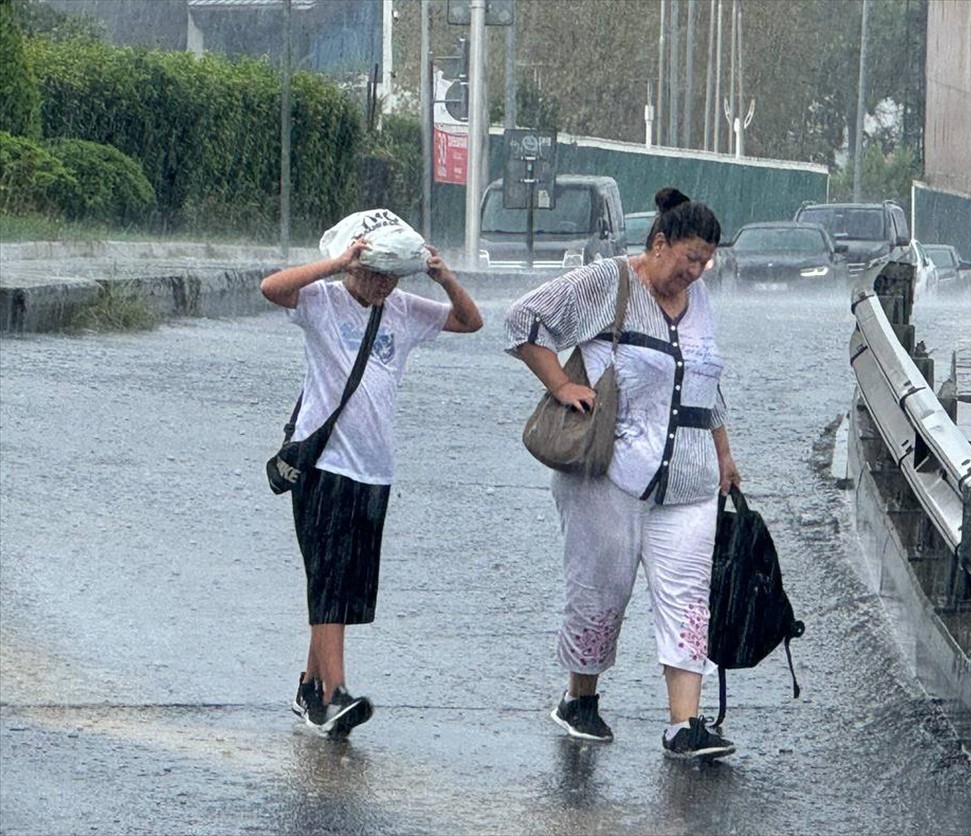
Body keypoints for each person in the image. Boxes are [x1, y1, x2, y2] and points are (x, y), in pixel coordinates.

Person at [504, 187, 742, 760]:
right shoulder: (607, 282)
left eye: (706, 260)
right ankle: (579, 699)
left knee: (689, 602)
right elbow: (521, 319)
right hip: (610, 473)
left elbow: (704, 379)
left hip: (688, 482)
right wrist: (561, 385)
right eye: (688, 257)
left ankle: (683, 725)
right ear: (659, 244)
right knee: (600, 593)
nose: (696, 270)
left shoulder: (699, 297)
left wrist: (724, 456)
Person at [261, 222, 483, 737]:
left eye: (393, 276)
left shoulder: (403, 310)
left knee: (343, 584)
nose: (384, 285)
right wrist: (339, 263)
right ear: (355, 265)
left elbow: (470, 322)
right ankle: (335, 695)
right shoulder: (321, 300)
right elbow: (272, 288)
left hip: (375, 467)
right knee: (330, 580)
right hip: (325, 466)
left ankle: (310, 687)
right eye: (376, 274)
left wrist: (443, 275)